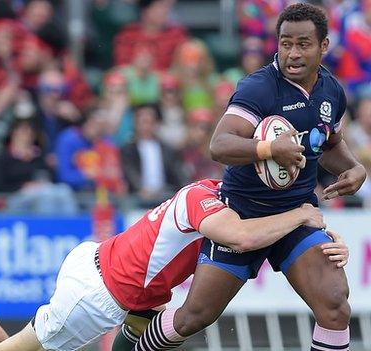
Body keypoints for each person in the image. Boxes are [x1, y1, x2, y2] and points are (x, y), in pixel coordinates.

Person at [131, 4, 367, 350]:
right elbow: (220, 144)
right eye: (285, 43)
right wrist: (269, 149)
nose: (293, 53)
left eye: (303, 44)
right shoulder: (259, 88)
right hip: (242, 215)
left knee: (335, 305)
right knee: (194, 316)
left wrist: (354, 167)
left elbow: (328, 139)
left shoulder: (332, 91)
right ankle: (136, 346)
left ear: (324, 46)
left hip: (297, 216)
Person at [0, 178, 349, 351]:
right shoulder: (206, 201)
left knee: (149, 322)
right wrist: (301, 215)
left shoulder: (229, 201)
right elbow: (244, 237)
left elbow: (276, 237)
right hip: (99, 293)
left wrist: (326, 242)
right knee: (17, 349)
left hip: (101, 262)